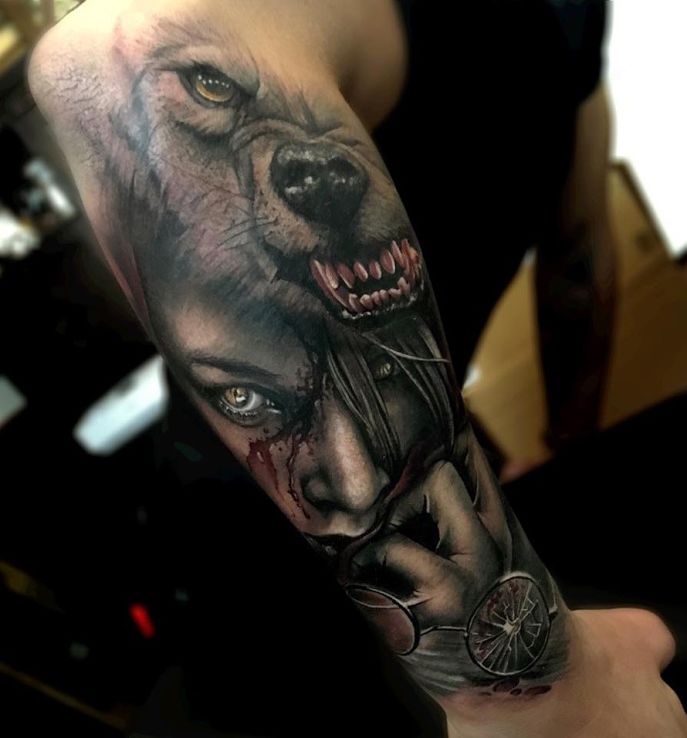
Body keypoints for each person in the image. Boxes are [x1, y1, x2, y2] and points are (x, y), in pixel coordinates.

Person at [27, 0, 686, 736]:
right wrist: (548, 704)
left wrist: (536, 695)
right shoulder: (568, 23)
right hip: (252, 547)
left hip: (395, 489)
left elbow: (577, 268)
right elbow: (113, 61)